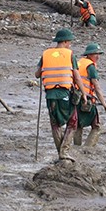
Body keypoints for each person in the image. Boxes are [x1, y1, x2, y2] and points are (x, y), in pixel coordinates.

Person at [35, 28, 81, 158]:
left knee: (55, 124)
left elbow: (37, 74)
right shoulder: (70, 55)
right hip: (65, 93)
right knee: (72, 122)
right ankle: (64, 151)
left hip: (50, 95)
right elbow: (77, 77)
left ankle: (60, 152)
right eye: (69, 42)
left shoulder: (46, 54)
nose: (70, 44)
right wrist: (83, 92)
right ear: (65, 41)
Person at [72, 42, 106, 147]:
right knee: (97, 127)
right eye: (96, 54)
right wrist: (105, 104)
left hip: (76, 98)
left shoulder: (79, 63)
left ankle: (77, 147)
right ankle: (88, 148)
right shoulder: (90, 66)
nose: (98, 57)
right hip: (86, 100)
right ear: (90, 54)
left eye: (99, 54)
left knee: (78, 126)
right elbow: (97, 87)